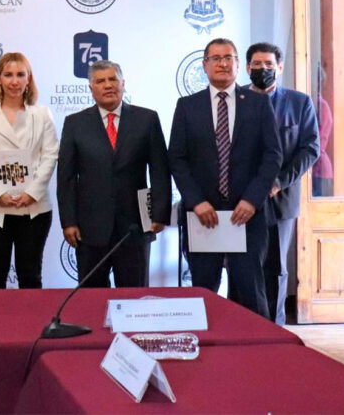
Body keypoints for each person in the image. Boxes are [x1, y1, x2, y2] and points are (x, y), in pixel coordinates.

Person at [169, 38, 282, 318]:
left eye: (228, 58)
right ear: (205, 65)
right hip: (202, 216)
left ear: (238, 65)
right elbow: (177, 159)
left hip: (247, 216)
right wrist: (196, 202)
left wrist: (252, 200)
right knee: (203, 293)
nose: (222, 63)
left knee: (251, 291)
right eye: (216, 58)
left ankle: (258, 344)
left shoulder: (258, 104)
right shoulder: (187, 106)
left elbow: (273, 156)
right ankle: (206, 345)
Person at [56, 60, 171, 288]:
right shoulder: (75, 123)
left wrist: (160, 213)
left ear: (123, 83)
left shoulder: (146, 119)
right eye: (100, 81)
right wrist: (68, 222)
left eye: (113, 79)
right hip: (90, 230)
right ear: (91, 88)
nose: (108, 85)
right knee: (91, 297)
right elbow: (66, 178)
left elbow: (160, 169)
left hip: (134, 227)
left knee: (133, 296)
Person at [0, 52, 58, 289]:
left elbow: (50, 156)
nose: (14, 81)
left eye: (20, 75)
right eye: (8, 75)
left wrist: (32, 192)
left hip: (34, 208)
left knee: (30, 276)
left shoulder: (42, 114)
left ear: (29, 79)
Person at [245, 42, 320, 325]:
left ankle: (274, 329)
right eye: (257, 64)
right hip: (242, 199)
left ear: (280, 67)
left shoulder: (299, 102)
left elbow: (310, 149)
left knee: (275, 268)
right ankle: (243, 325)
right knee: (242, 266)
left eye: (268, 64)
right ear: (247, 68)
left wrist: (279, 182)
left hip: (281, 198)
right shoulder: (238, 100)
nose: (263, 69)